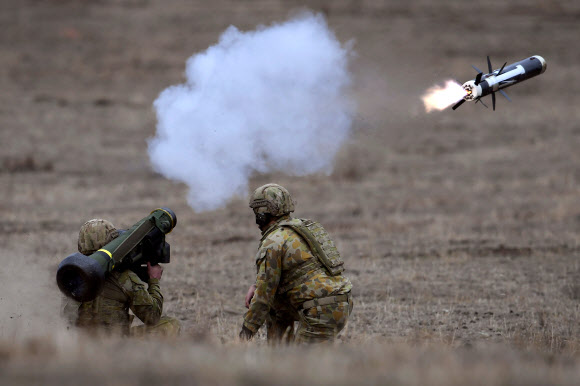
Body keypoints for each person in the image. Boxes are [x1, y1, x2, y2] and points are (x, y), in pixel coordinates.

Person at [240, 183, 353, 344]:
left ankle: (285, 361)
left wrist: (244, 334)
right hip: (339, 302)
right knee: (274, 309)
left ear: (262, 214)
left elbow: (262, 299)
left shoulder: (273, 241)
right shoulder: (302, 229)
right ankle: (279, 357)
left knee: (301, 365)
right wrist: (256, 286)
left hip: (321, 310)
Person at [62, 218, 181, 337]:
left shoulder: (72, 276)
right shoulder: (124, 279)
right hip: (116, 344)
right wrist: (154, 281)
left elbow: (66, 318)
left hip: (82, 343)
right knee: (171, 324)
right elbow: (152, 316)